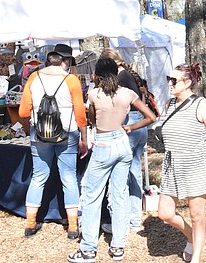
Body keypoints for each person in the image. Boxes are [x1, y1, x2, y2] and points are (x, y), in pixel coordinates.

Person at [68, 58, 156, 263]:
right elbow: (151, 117)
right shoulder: (128, 94)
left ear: (97, 75)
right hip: (122, 142)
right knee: (120, 194)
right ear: (116, 74)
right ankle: (118, 246)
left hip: (104, 143)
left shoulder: (94, 94)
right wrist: (131, 127)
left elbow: (92, 119)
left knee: (92, 196)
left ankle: (88, 248)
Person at [18, 43, 87, 239]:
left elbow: (23, 111)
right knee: (69, 178)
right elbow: (80, 113)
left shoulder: (34, 77)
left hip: (39, 133)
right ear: (64, 61)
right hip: (68, 133)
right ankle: (73, 226)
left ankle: (30, 223)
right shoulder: (71, 80)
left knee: (38, 177)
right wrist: (84, 137)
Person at [157, 63, 206, 263]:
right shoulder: (170, 104)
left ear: (187, 83)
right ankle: (192, 236)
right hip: (171, 166)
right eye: (169, 79)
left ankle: (196, 257)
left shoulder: (202, 105)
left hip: (195, 166)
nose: (170, 84)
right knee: (164, 213)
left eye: (173, 80)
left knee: (197, 214)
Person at [99, 48, 152, 234]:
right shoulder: (129, 74)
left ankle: (120, 222)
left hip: (130, 124)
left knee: (120, 177)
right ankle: (134, 219)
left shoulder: (120, 78)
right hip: (140, 125)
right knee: (134, 174)